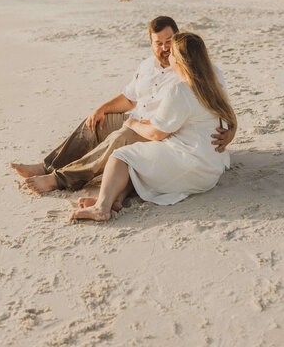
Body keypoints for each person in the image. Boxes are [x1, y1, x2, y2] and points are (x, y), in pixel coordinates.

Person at [11, 17, 235, 193]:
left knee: (119, 139)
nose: (165, 48)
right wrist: (102, 109)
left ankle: (59, 179)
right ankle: (48, 165)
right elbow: (129, 99)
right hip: (138, 118)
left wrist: (231, 131)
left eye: (169, 42)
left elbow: (219, 104)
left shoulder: (198, 70)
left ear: (177, 39)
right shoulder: (147, 65)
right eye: (159, 43)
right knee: (97, 122)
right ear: (151, 43)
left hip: (163, 130)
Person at [69, 32, 237, 221]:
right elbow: (229, 118)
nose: (168, 55)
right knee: (142, 161)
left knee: (121, 156)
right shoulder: (213, 86)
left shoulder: (180, 90)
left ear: (179, 60)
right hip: (211, 168)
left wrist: (132, 123)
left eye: (172, 53)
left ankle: (101, 207)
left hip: (192, 165)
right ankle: (115, 199)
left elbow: (157, 134)